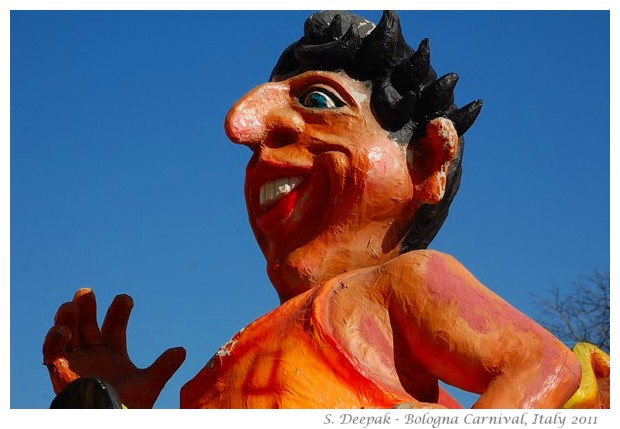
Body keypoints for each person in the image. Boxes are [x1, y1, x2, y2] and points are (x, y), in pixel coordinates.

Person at [43, 10, 599, 409]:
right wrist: (116, 408)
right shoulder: (224, 367)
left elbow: (540, 364)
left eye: (319, 101)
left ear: (428, 158)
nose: (245, 131)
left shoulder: (402, 284)